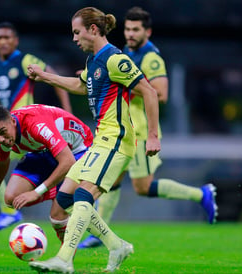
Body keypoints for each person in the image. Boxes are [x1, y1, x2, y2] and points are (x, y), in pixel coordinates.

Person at [26, 7, 161, 273]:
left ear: (93, 30)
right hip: (100, 141)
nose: (75, 38)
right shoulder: (93, 61)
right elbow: (80, 85)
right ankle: (116, 245)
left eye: (77, 32)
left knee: (84, 194)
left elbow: (149, 92)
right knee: (65, 198)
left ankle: (64, 260)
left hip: (116, 140)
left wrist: (153, 136)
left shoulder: (114, 59)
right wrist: (44, 76)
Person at [78, 6, 218, 249]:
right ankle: (98, 234)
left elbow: (160, 93)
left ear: (148, 32)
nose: (130, 34)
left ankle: (201, 195)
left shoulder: (151, 57)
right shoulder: (123, 54)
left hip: (140, 131)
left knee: (142, 187)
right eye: (128, 29)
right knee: (110, 180)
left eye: (136, 30)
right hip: (122, 129)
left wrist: (123, 83)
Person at [0, 21, 72, 232]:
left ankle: (10, 211)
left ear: (15, 40)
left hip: (25, 127)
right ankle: (11, 209)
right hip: (5, 129)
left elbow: (52, 76)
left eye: (7, 37)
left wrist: (67, 110)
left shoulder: (25, 60)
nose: (3, 41)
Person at [0, 104, 93, 242]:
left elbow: (68, 161)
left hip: (78, 150)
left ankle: (65, 259)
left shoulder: (37, 125)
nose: (0, 139)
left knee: (57, 217)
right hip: (44, 150)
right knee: (10, 198)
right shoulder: (0, 135)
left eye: (2, 132)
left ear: (13, 122)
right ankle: (57, 191)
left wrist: (37, 192)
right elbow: (1, 161)